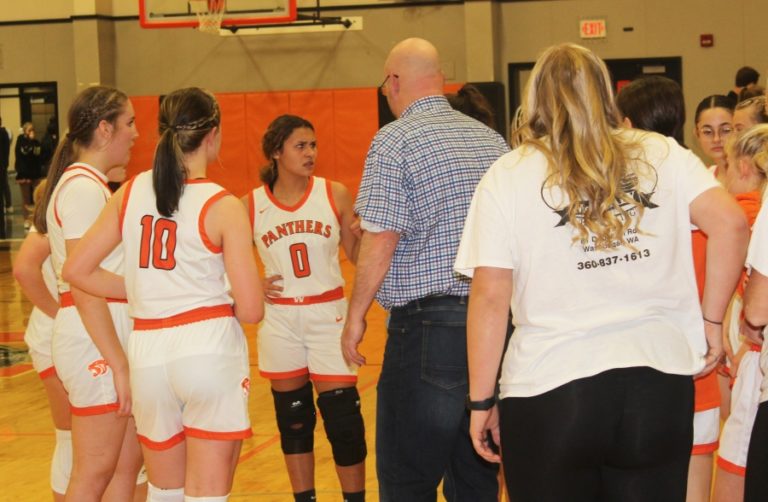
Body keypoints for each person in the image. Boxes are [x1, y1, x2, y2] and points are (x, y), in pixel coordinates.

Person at [455, 43, 749, 502]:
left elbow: (490, 294)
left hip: (551, 388)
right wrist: (712, 322)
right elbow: (731, 223)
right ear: (607, 93)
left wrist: (479, 402)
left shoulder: (509, 172)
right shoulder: (660, 152)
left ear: (535, 99)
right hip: (657, 384)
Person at [63, 87, 263, 502]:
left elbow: (75, 270)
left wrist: (143, 290)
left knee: (164, 491)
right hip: (206, 346)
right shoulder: (224, 204)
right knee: (206, 494)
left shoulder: (131, 191)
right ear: (212, 135)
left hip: (148, 352)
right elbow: (251, 308)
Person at [341, 37, 510, 501]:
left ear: (393, 82)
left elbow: (380, 238)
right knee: (475, 479)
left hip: (427, 331)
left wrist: (356, 316)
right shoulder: (490, 139)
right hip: (494, 327)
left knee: (407, 482)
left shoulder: (394, 140)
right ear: (439, 79)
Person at [246, 114, 364, 502]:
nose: (311, 152)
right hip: (280, 320)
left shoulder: (335, 194)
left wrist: (365, 236)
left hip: (328, 314)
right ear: (276, 151)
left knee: (344, 422)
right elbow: (220, 260)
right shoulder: (250, 205)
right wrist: (248, 283)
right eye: (301, 146)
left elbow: (357, 256)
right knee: (293, 421)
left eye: (313, 145)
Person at [34, 85, 143, 502]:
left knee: (124, 467)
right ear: (104, 129)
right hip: (93, 337)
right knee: (95, 471)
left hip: (105, 332)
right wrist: (117, 362)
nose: (135, 133)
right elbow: (83, 281)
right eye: (129, 123)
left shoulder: (92, 185)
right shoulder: (81, 188)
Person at [617, 75, 722, 502]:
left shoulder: (626, 201)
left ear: (624, 124)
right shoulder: (702, 188)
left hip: (655, 362)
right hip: (685, 355)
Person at [711, 125, 767, 502]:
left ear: (745, 166)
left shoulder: (746, 212)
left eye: (727, 164)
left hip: (757, 364)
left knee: (736, 471)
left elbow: (757, 311)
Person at [13, 181, 69, 502]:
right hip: (52, 336)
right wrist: (59, 312)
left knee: (83, 440)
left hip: (63, 335)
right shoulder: (48, 225)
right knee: (71, 437)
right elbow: (22, 270)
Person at [694, 95, 735, 184]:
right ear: (697, 134)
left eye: (726, 130)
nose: (716, 139)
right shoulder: (702, 179)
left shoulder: (756, 177)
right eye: (708, 132)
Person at [16, 121, 44, 226]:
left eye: (33, 129)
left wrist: (33, 144)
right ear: (25, 132)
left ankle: (37, 220)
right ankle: (26, 220)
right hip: (24, 174)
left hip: (35, 173)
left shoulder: (36, 142)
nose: (32, 132)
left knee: (38, 197)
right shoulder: (21, 141)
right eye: (29, 130)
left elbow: (37, 154)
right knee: (26, 198)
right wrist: (30, 143)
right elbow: (24, 152)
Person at [0, 115, 11, 212]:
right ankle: (8, 205)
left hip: (2, 164)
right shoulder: (5, 133)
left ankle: (7, 205)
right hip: (3, 163)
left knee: (4, 184)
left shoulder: (2, 133)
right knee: (4, 184)